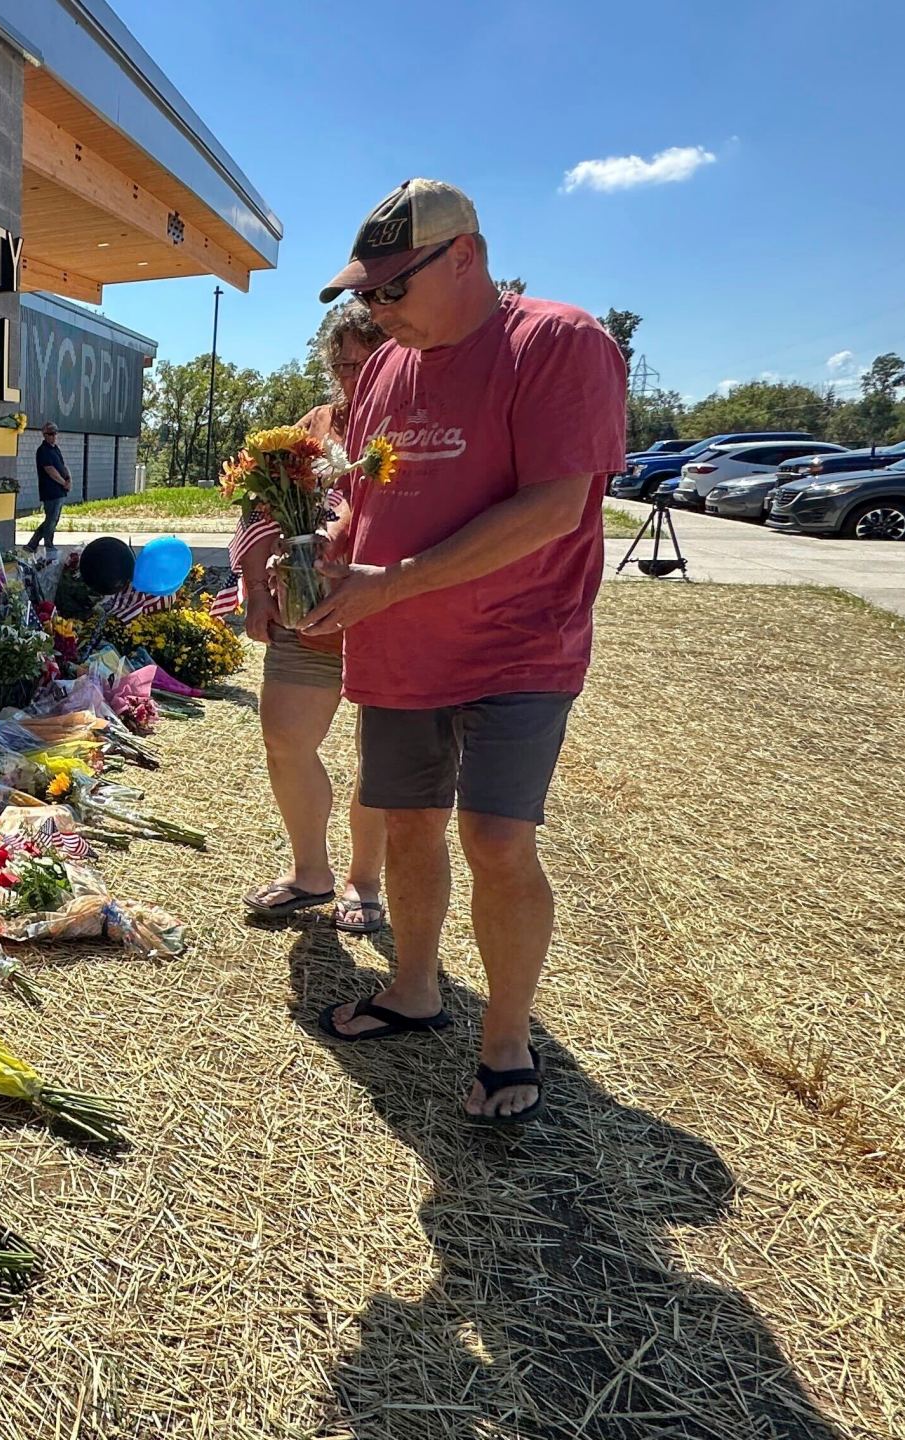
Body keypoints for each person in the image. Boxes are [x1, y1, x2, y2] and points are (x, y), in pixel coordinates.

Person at [298, 178, 629, 1126]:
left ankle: (507, 1039)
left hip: (518, 644)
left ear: (466, 258)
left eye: (392, 288)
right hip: (402, 647)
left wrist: (389, 582)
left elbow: (554, 507)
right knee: (405, 825)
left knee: (495, 838)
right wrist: (326, 553)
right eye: (366, 294)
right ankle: (414, 987)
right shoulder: (385, 372)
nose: (377, 309)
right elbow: (364, 499)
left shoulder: (557, 343)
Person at [234, 301, 389, 934]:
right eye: (343, 363)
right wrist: (254, 582)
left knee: (380, 760)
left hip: (389, 611)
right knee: (284, 741)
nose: (354, 376)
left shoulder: (418, 425)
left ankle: (365, 882)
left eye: (368, 361)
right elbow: (260, 503)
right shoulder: (316, 426)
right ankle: (310, 873)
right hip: (307, 610)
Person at [29, 423, 71, 551]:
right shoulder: (43, 451)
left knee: (52, 519)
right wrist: (63, 482)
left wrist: (68, 479)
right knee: (51, 520)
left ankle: (32, 544)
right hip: (50, 491)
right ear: (44, 435)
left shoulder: (55, 449)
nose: (53, 436)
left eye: (55, 433)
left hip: (60, 490)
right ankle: (48, 544)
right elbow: (50, 470)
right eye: (50, 434)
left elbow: (62, 465)